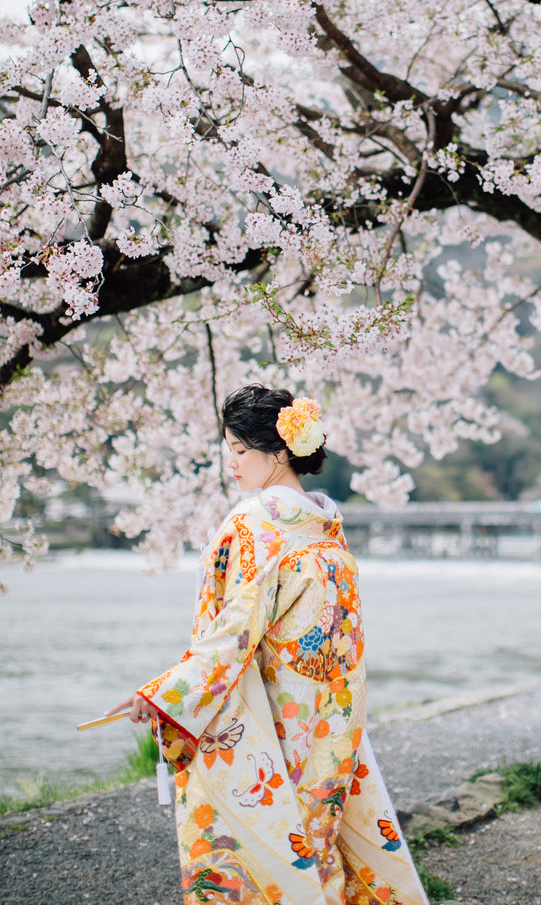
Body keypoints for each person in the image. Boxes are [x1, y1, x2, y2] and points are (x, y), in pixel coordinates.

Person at [106, 384, 427, 905]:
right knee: (319, 839)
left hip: (279, 718)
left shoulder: (256, 523)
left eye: (239, 450)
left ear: (278, 452)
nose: (231, 464)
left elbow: (232, 633)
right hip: (335, 712)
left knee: (277, 850)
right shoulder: (327, 525)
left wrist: (164, 694)